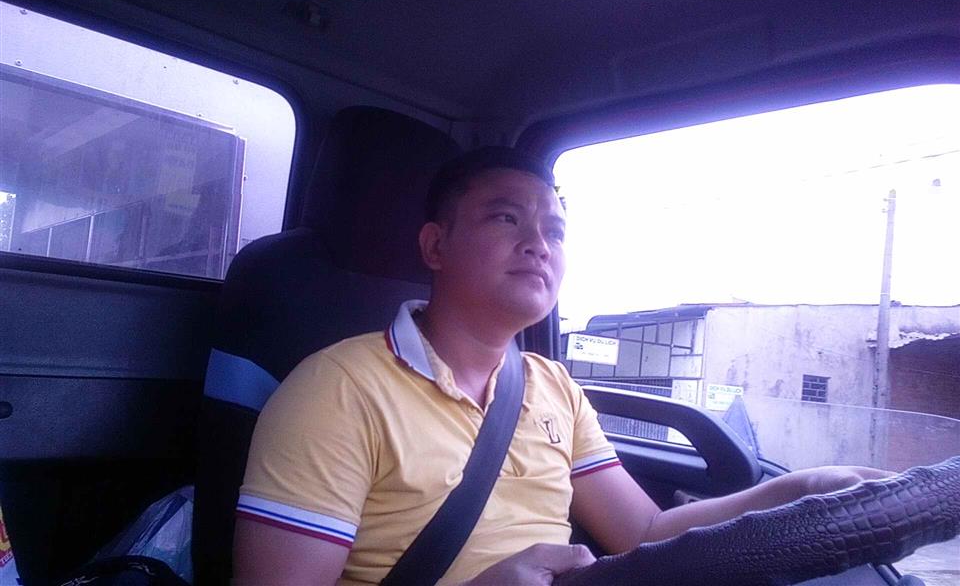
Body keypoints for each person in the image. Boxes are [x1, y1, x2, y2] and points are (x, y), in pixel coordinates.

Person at [232, 147, 889, 585]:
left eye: (555, 230)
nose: (539, 244)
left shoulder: (554, 388)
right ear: (436, 245)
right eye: (506, 218)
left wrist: (799, 490)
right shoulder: (337, 389)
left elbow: (645, 532)